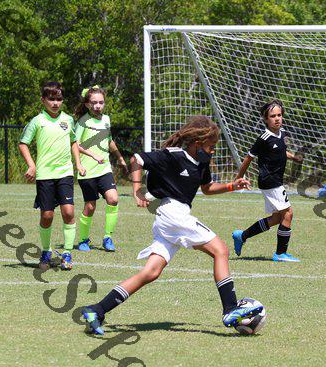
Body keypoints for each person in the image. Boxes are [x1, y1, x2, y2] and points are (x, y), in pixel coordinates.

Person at [81, 116, 263, 335]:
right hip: (172, 214)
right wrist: (137, 189)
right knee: (221, 250)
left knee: (151, 272)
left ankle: (97, 310)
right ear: (198, 143)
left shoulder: (202, 162)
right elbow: (137, 159)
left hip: (170, 220)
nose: (213, 150)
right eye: (211, 146)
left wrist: (232, 186)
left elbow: (207, 188)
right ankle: (230, 309)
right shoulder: (173, 156)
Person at [18, 81, 86, 270]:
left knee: (68, 212)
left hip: (65, 173)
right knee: (47, 215)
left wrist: (78, 163)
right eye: (51, 99)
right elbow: (23, 143)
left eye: (59, 99)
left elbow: (73, 141)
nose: (55, 103)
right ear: (43, 100)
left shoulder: (68, 120)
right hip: (45, 175)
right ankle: (46, 251)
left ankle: (67, 254)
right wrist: (31, 165)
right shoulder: (37, 121)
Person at [232, 100, 303, 263]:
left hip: (275, 181)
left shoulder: (282, 133)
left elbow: (281, 151)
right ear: (265, 119)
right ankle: (280, 253)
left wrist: (294, 157)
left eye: (279, 115)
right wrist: (239, 178)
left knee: (277, 218)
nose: (277, 118)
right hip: (270, 181)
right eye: (272, 116)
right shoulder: (264, 138)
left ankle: (242, 236)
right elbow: (248, 158)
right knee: (288, 213)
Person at [74, 85, 128, 252]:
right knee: (90, 207)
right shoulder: (82, 122)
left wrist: (119, 157)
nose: (98, 106)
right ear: (87, 104)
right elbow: (75, 144)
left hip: (104, 169)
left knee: (113, 199)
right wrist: (87, 159)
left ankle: (107, 237)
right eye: (94, 102)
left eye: (101, 102)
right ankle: (83, 240)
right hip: (87, 170)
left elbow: (109, 140)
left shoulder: (106, 119)